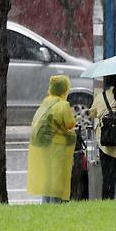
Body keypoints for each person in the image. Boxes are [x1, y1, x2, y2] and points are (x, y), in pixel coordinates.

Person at [27, 75, 77, 203]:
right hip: (58, 146)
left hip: (44, 145)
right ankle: (55, 205)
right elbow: (70, 124)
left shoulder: (46, 101)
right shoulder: (63, 105)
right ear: (65, 89)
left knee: (48, 177)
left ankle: (46, 203)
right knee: (57, 177)